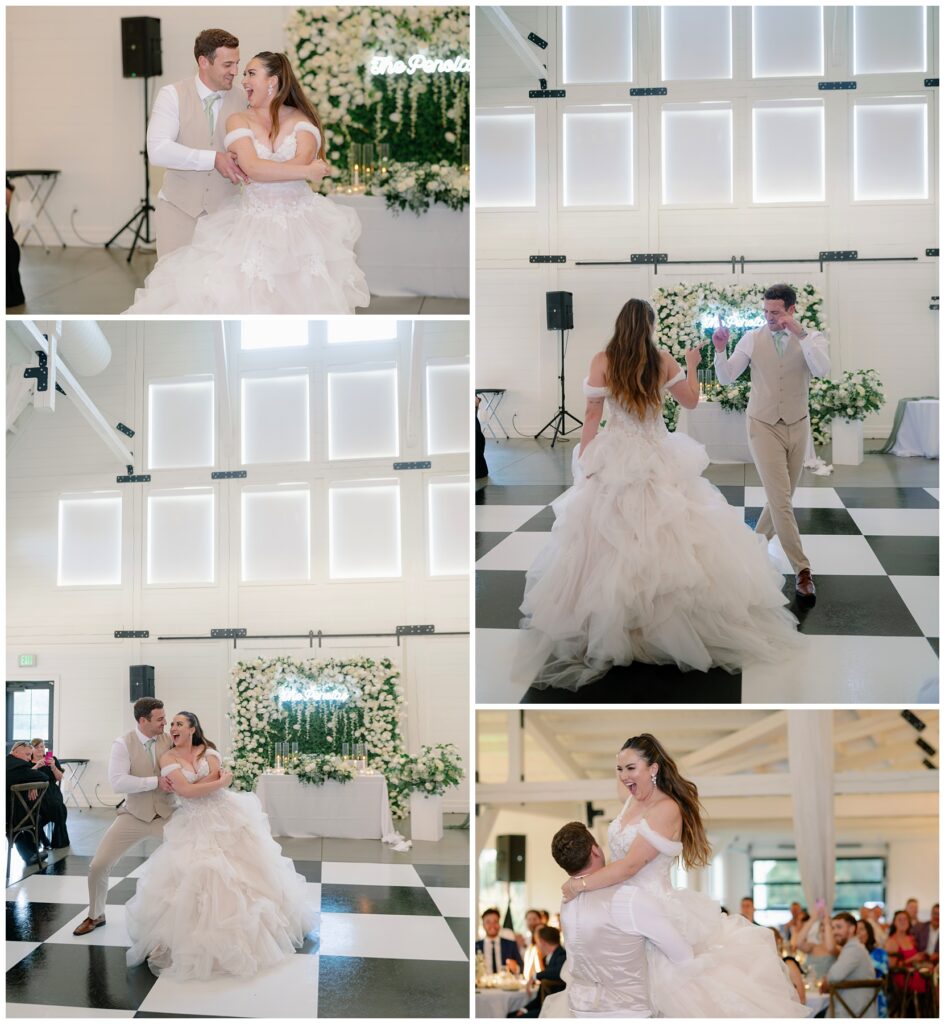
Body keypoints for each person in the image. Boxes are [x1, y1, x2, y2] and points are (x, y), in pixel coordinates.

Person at [514, 297, 801, 689]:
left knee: (606, 537)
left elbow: (593, 415)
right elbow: (691, 401)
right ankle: (666, 621)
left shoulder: (602, 360)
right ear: (649, 326)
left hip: (616, 453)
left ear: (620, 324)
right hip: (657, 452)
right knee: (674, 532)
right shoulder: (662, 360)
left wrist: (585, 458)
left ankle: (615, 621)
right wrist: (693, 365)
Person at [557, 734, 806, 1017]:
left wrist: (581, 884)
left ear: (653, 768)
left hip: (652, 908)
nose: (624, 776)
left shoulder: (666, 808)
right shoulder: (630, 800)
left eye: (631, 768)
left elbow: (630, 866)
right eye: (620, 769)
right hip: (621, 910)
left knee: (669, 997)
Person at [126, 50, 369, 313]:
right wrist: (306, 171)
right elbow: (253, 168)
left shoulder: (302, 120)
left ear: (272, 81)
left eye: (250, 73)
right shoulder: (237, 118)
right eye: (238, 70)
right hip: (250, 224)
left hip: (301, 227)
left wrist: (288, 169)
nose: (242, 79)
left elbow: (289, 163)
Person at [124, 711, 315, 979]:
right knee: (199, 872)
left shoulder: (208, 750)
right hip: (193, 820)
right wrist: (220, 781)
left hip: (226, 814)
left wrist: (203, 784)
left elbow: (196, 786)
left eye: (179, 724)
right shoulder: (167, 757)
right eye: (172, 724)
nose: (173, 727)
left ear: (192, 728)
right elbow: (187, 791)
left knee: (245, 870)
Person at [713, 283, 831, 607]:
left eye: (776, 312)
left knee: (783, 497)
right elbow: (726, 377)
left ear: (791, 310)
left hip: (797, 423)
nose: (769, 317)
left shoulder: (812, 338)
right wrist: (720, 350)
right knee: (781, 500)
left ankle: (750, 549)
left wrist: (800, 334)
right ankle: (802, 570)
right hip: (762, 425)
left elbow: (822, 369)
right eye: (765, 311)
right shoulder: (752, 338)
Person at [542, 819, 695, 1018]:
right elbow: (682, 956)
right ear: (595, 851)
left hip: (579, 1010)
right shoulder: (628, 899)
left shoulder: (567, 902)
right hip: (626, 1011)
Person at [73, 698, 176, 936]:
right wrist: (155, 781)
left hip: (167, 814)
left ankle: (189, 918)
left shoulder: (169, 740)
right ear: (143, 720)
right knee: (98, 865)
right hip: (134, 815)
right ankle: (96, 915)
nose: (165, 722)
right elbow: (118, 782)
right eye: (160, 719)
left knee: (192, 860)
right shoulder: (122, 744)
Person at [146, 29, 248, 258]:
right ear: (203, 62)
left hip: (227, 216)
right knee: (173, 280)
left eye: (237, 63)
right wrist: (214, 159)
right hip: (177, 213)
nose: (235, 71)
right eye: (227, 65)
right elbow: (158, 150)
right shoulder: (172, 95)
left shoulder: (244, 99)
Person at [821, 912, 879, 1018]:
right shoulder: (853, 948)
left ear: (852, 929)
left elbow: (833, 977)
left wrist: (825, 981)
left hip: (852, 1012)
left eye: (839, 927)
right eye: (833, 928)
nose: (835, 932)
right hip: (854, 1008)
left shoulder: (854, 949)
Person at [512, 926, 566, 1017]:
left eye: (537, 942)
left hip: (554, 1012)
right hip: (545, 1008)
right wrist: (524, 1009)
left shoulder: (561, 956)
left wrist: (535, 976)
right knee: (511, 1015)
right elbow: (539, 998)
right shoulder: (550, 957)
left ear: (542, 942)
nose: (537, 946)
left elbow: (560, 971)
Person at [6, 741, 44, 866]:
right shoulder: (19, 766)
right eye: (27, 754)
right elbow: (43, 776)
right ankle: (31, 854)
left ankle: (30, 854)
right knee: (36, 817)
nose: (29, 759)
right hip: (10, 815)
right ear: (16, 751)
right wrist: (32, 782)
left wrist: (30, 783)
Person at [29, 738, 69, 849]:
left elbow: (60, 778)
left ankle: (49, 838)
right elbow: (26, 775)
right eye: (37, 747)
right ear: (31, 749)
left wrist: (53, 767)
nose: (40, 749)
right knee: (56, 809)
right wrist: (37, 766)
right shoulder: (28, 761)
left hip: (51, 789)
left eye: (42, 746)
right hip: (36, 791)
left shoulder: (52, 759)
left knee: (59, 807)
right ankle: (46, 838)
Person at [885, 909, 930, 999]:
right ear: (894, 923)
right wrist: (911, 959)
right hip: (903, 976)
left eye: (905, 919)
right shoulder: (892, 941)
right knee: (929, 979)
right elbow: (891, 967)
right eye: (900, 919)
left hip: (913, 972)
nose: (903, 922)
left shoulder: (911, 939)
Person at [856, 918, 889, 1017]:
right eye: (856, 930)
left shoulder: (879, 953)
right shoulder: (850, 954)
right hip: (854, 995)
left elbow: (873, 975)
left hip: (874, 996)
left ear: (869, 932)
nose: (858, 933)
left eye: (861, 929)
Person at [797, 901, 838, 979]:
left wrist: (827, 922)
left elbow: (830, 948)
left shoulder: (837, 948)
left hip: (826, 985)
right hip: (809, 984)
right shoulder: (813, 946)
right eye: (821, 925)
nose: (824, 927)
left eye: (828, 925)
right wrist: (813, 918)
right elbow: (799, 943)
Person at [477, 908, 524, 974]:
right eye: (488, 922)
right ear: (483, 925)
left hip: (505, 980)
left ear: (499, 924)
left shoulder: (510, 944)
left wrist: (516, 968)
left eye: (495, 922)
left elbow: (521, 967)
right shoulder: (475, 946)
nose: (492, 925)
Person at [522, 908, 545, 979]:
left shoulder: (545, 939)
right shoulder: (524, 939)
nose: (532, 922)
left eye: (534, 919)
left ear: (540, 920)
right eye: (529, 919)